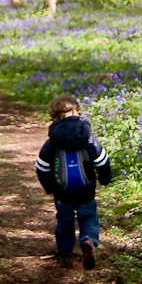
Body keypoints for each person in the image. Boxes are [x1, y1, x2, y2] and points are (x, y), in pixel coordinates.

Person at [35, 93, 112, 269]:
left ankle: (65, 249)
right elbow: (102, 161)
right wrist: (105, 178)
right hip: (86, 189)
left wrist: (48, 187)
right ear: (76, 112)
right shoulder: (87, 138)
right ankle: (88, 239)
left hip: (62, 192)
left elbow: (42, 167)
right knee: (88, 215)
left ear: (54, 117)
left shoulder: (52, 142)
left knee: (64, 219)